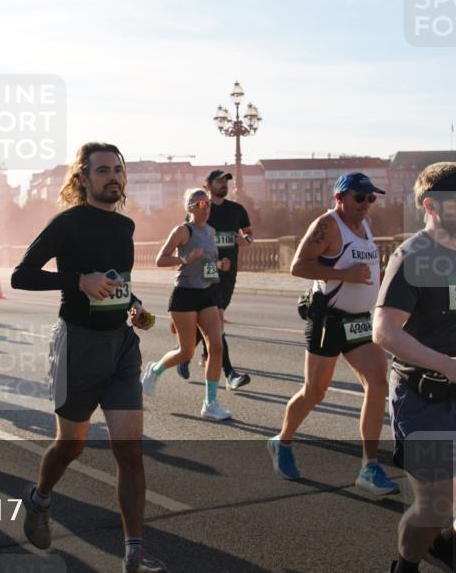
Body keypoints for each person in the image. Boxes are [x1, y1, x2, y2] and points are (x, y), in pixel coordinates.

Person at [10, 142, 168, 573]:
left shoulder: (125, 225)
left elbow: (116, 280)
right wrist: (78, 281)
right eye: (103, 170)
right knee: (71, 446)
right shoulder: (67, 223)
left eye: (118, 169)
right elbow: (23, 274)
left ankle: (134, 559)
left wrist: (132, 304)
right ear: (83, 178)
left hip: (121, 346)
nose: (113, 177)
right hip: (77, 346)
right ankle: (39, 499)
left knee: (130, 452)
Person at [373, 162, 456, 573]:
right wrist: (446, 364)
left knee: (444, 515)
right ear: (431, 206)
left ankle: (448, 540)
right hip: (425, 396)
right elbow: (385, 332)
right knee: (433, 506)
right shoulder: (412, 256)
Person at [267, 173, 399, 496]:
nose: (366, 204)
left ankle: (369, 466)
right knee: (315, 392)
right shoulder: (327, 225)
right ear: (340, 197)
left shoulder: (366, 226)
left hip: (358, 322)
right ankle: (282, 441)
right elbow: (298, 266)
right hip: (327, 320)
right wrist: (344, 274)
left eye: (371, 198)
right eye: (359, 197)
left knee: (378, 383)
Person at [141, 188, 233, 421]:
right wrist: (185, 258)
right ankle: (155, 370)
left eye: (209, 204)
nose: (207, 208)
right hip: (184, 294)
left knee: (217, 345)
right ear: (191, 207)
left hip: (207, 293)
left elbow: (208, 265)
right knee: (186, 351)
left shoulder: (211, 232)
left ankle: (210, 403)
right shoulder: (183, 231)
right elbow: (160, 260)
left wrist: (219, 266)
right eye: (202, 204)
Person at [177, 170, 253, 389]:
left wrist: (245, 240)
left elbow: (249, 232)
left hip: (229, 270)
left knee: (214, 318)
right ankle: (230, 373)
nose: (223, 184)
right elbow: (186, 236)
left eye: (225, 181)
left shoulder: (236, 209)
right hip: (208, 270)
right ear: (207, 185)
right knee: (216, 320)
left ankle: (186, 353)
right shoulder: (200, 209)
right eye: (218, 181)